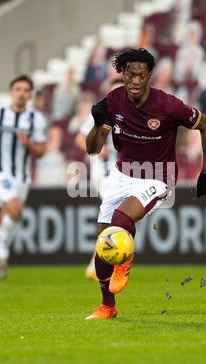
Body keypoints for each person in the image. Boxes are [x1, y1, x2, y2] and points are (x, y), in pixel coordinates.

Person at [85, 49, 206, 320]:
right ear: (122, 75)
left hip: (159, 175)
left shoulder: (168, 106)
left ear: (149, 76)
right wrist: (97, 124)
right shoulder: (114, 100)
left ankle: (126, 258)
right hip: (122, 174)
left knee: (120, 221)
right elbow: (93, 149)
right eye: (130, 75)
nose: (135, 81)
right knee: (103, 242)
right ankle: (108, 306)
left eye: (141, 75)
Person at [0, 75, 47, 282]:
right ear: (11, 91)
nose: (21, 93)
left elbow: (41, 151)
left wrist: (28, 143)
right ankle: (2, 253)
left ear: (30, 95)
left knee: (8, 217)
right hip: (0, 173)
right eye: (18, 89)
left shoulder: (36, 119)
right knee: (16, 210)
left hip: (22, 177)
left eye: (25, 90)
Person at [75, 79, 124, 281]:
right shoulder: (100, 112)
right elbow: (80, 138)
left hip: (125, 170)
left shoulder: (132, 114)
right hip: (103, 170)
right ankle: (101, 263)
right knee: (114, 210)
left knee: (118, 214)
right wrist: (97, 147)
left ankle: (100, 261)